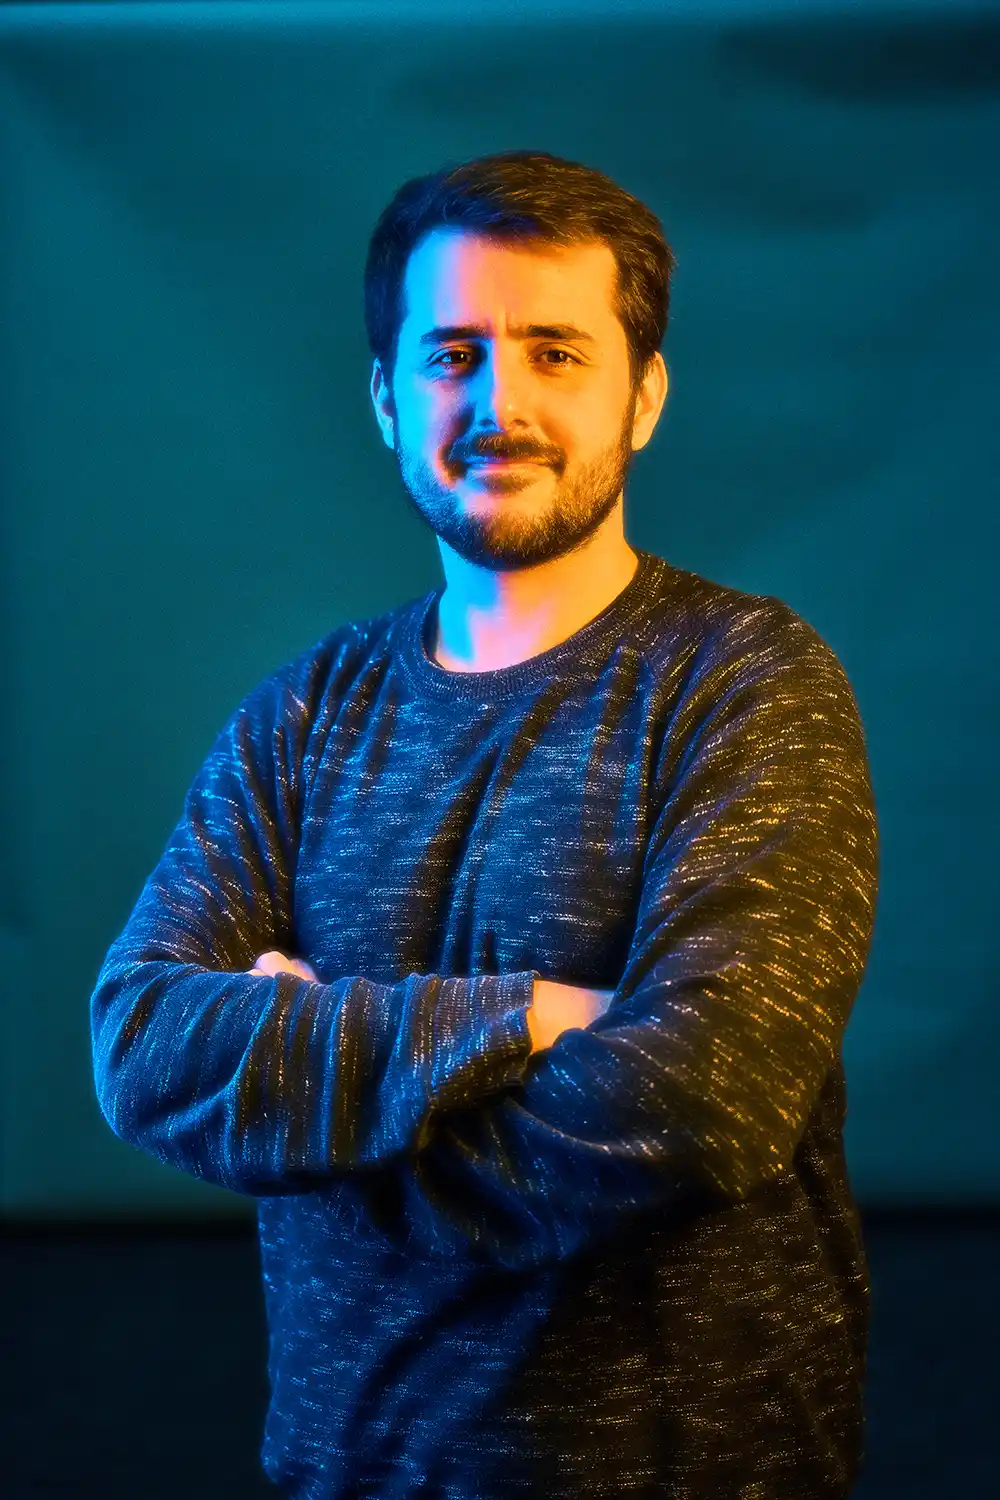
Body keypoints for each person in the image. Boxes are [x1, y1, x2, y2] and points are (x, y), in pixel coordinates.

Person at [90, 150, 879, 1500]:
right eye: (452, 354)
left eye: (556, 352)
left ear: (645, 395)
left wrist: (315, 1117)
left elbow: (705, 1104)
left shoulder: (749, 684)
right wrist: (524, 1018)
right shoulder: (302, 718)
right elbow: (144, 1048)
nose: (497, 401)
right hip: (345, 1467)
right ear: (390, 401)